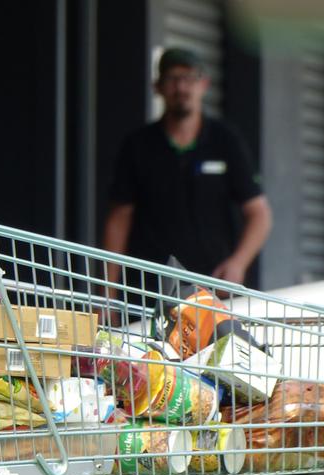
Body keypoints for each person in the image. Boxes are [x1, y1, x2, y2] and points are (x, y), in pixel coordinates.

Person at [102, 47, 272, 307]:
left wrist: (238, 263)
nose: (181, 87)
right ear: (157, 87)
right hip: (149, 291)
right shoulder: (138, 146)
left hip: (214, 291)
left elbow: (259, 213)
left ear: (203, 85)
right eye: (172, 79)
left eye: (189, 78)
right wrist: (107, 294)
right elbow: (119, 219)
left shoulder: (225, 141)